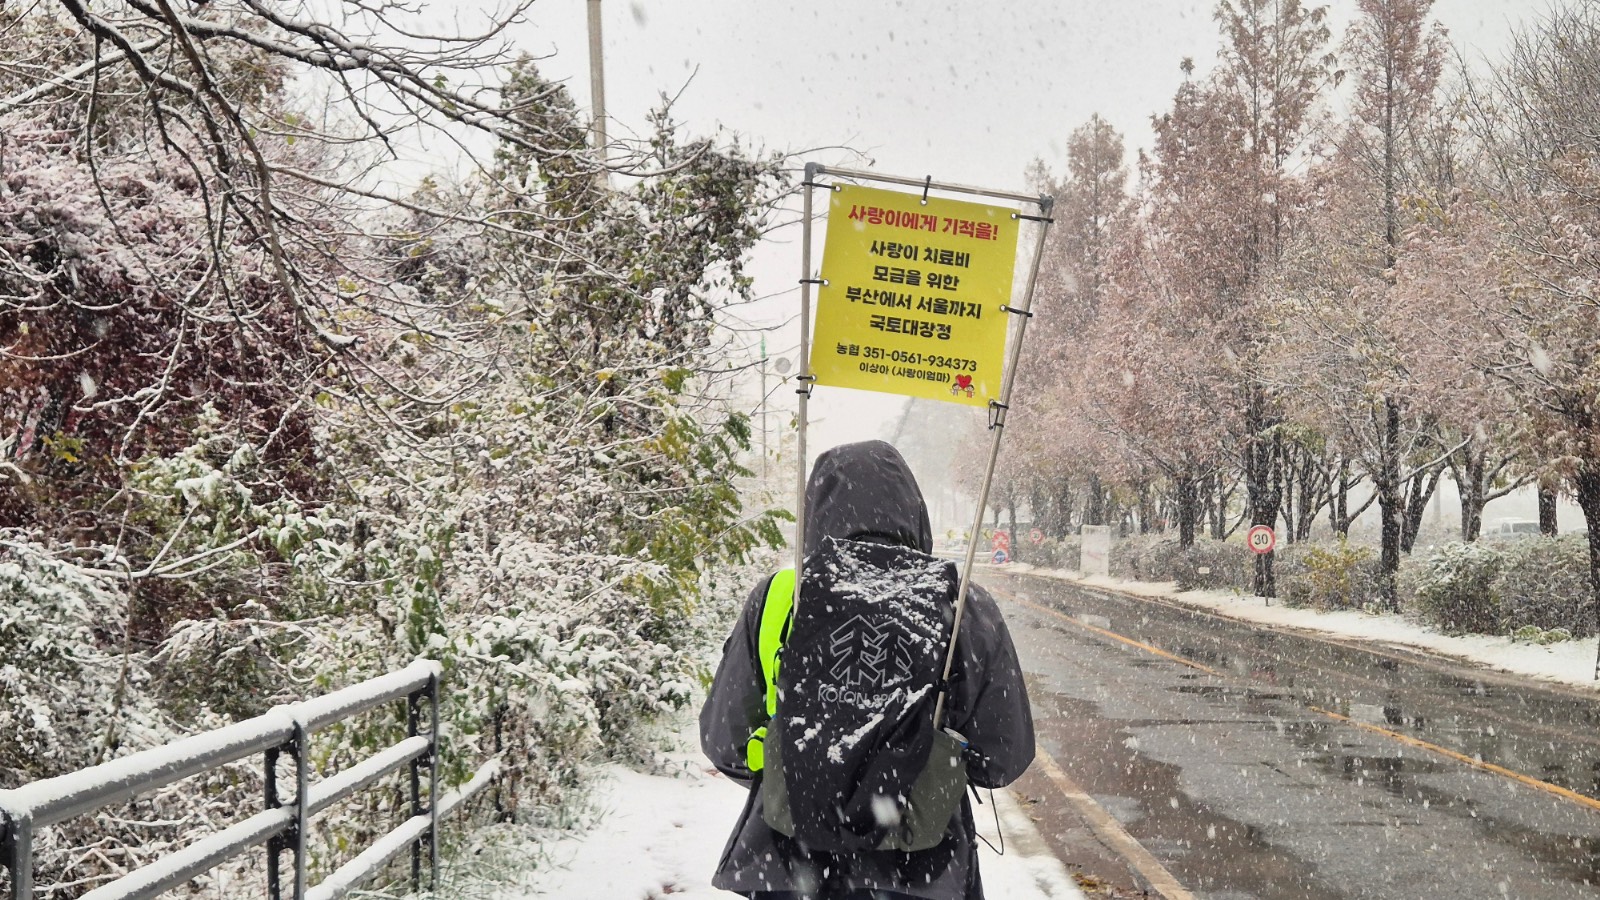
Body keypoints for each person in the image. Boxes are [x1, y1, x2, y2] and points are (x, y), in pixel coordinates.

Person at [699, 440, 1034, 900]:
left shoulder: (781, 596)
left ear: (815, 512)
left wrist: (796, 767)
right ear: (914, 512)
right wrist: (929, 763)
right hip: (927, 872)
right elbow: (1003, 757)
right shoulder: (962, 605)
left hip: (791, 868)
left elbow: (727, 742)